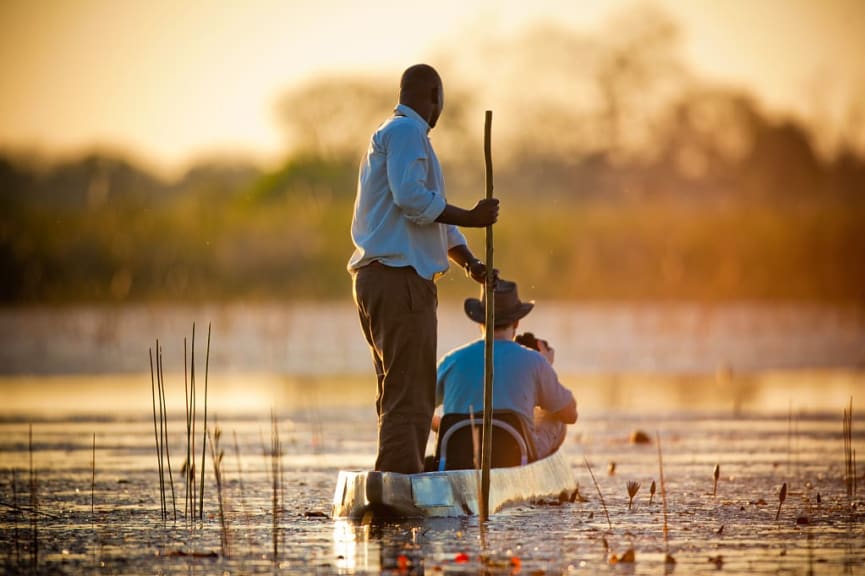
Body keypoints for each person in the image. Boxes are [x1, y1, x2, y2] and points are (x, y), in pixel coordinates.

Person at [348, 63, 499, 474]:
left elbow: (434, 218)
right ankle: (400, 482)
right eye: (441, 100)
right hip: (399, 282)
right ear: (434, 96)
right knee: (412, 393)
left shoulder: (401, 135)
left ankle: (395, 477)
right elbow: (413, 200)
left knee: (396, 388)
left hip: (382, 279)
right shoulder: (406, 132)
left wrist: (470, 262)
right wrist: (474, 216)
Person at [435, 280, 577, 460]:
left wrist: (444, 427)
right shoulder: (535, 361)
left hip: (458, 459)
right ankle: (536, 473)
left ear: (480, 321)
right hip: (514, 458)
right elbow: (570, 414)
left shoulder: (451, 361)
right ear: (517, 323)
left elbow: (419, 410)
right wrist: (546, 366)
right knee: (555, 418)